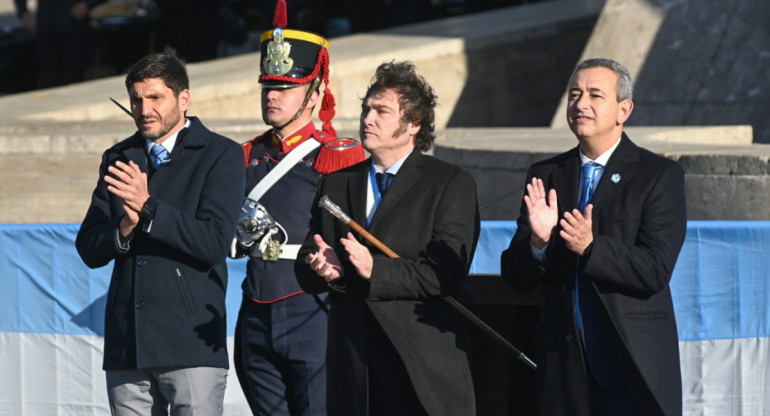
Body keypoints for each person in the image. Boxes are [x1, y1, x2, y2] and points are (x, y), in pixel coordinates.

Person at [500, 58, 686, 415]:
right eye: (574, 94)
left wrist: (591, 248)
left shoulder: (658, 175)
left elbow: (655, 270)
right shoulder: (546, 174)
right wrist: (538, 243)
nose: (580, 104)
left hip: (630, 365)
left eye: (595, 95)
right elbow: (516, 276)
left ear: (623, 109)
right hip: (563, 369)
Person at [294, 60, 480, 416]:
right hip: (354, 374)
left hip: (420, 370)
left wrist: (373, 271)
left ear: (413, 124)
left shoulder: (449, 183)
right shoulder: (337, 182)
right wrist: (320, 267)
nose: (368, 119)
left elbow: (446, 273)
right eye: (366, 109)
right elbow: (308, 259)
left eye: (382, 111)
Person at [75, 52, 244, 415]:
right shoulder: (118, 157)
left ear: (184, 99)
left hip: (191, 342)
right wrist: (124, 227)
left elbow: (214, 242)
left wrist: (149, 208)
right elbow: (89, 247)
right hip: (128, 346)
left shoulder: (221, 154)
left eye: (155, 97)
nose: (143, 108)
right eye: (136, 99)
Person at [228, 0, 365, 414]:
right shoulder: (245, 155)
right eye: (268, 87)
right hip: (253, 310)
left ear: (314, 91)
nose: (273, 96)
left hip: (312, 309)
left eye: (286, 87)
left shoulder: (337, 155)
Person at [14, 0, 107, 88]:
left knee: (74, 78)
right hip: (47, 29)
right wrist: (24, 14)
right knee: (51, 78)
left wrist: (87, 4)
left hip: (75, 28)